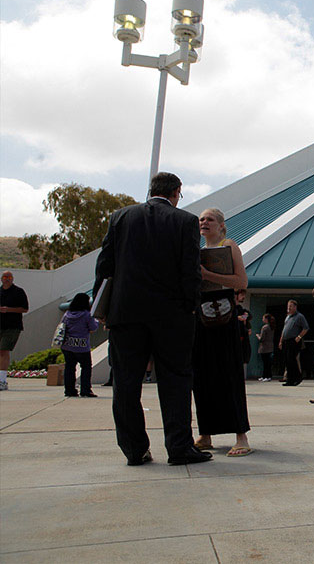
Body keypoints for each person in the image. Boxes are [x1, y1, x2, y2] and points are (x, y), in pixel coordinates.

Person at [94, 172, 209, 466]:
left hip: (126, 314)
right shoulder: (185, 222)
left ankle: (135, 450)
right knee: (175, 381)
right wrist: (191, 306)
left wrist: (103, 308)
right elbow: (190, 270)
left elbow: (105, 265)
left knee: (125, 383)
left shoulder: (121, 217)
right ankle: (179, 447)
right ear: (176, 192)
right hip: (172, 316)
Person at [192, 208, 252, 458]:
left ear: (221, 225)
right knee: (201, 375)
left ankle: (241, 435)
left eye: (210, 219)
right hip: (199, 317)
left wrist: (207, 275)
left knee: (229, 373)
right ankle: (205, 434)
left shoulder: (229, 246)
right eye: (201, 219)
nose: (204, 222)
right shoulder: (193, 250)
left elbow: (241, 282)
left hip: (224, 316)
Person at [59, 293, 99, 398]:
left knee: (69, 368)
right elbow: (93, 328)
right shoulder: (87, 315)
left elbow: (62, 326)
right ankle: (85, 390)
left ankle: (69, 390)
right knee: (86, 367)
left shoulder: (67, 314)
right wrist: (97, 321)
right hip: (82, 345)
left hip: (67, 345)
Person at [0, 270, 30, 391]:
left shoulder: (18, 292)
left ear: (12, 279)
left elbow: (25, 309)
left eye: (9, 277)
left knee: (3, 351)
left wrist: (9, 310)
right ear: (1, 279)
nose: (7, 279)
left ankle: (2, 380)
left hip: (12, 327)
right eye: (5, 277)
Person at [278, 300, 308, 386]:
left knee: (292, 360)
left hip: (293, 341)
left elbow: (306, 328)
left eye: (291, 306)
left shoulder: (299, 316)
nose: (289, 308)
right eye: (288, 306)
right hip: (285, 341)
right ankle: (290, 380)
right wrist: (280, 341)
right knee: (287, 361)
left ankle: (297, 377)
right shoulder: (288, 317)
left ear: (295, 307)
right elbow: (284, 330)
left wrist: (299, 337)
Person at [256, 314, 276, 381]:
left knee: (265, 363)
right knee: (268, 362)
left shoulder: (265, 327)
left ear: (266, 319)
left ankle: (266, 376)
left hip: (264, 347)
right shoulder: (271, 327)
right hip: (270, 346)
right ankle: (266, 376)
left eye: (263, 318)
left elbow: (262, 339)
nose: (262, 319)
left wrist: (258, 336)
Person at [235, 289, 251, 365]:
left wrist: (244, 316)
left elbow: (248, 315)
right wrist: (238, 317)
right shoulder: (233, 308)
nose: (243, 297)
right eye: (242, 295)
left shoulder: (240, 308)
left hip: (241, 335)